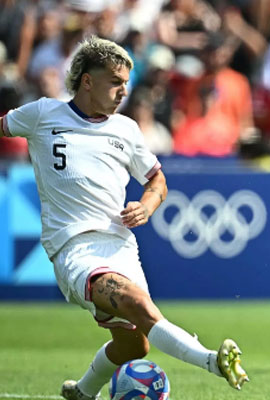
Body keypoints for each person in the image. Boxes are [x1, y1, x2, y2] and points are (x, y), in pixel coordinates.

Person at [0, 36, 248, 400]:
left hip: (121, 248)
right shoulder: (42, 114)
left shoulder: (126, 129)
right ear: (87, 81)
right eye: (115, 82)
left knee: (135, 347)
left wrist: (147, 206)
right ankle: (213, 361)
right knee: (140, 305)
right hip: (76, 249)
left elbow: (157, 180)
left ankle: (83, 392)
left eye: (126, 83)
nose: (123, 91)